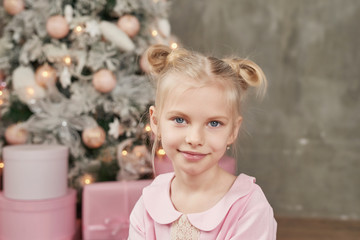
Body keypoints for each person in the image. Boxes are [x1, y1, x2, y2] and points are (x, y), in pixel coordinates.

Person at [128, 44, 277, 239]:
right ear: (155, 122)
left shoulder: (248, 206)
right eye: (180, 120)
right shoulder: (149, 202)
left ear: (233, 130)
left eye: (214, 123)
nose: (195, 139)